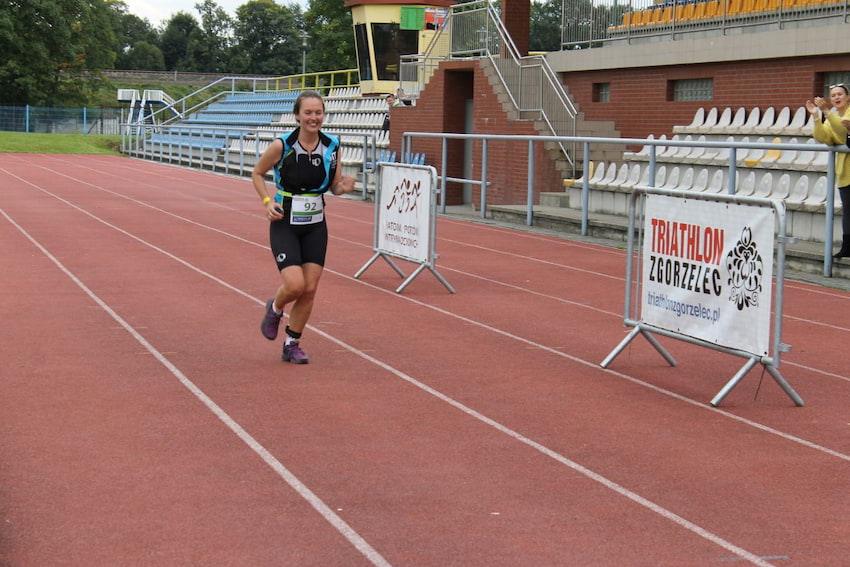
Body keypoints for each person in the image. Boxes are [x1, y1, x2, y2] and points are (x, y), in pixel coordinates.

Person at [252, 90, 355, 364]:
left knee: (310, 289)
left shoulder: (332, 145)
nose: (313, 118)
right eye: (308, 112)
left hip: (315, 223)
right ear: (298, 115)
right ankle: (275, 308)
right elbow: (257, 173)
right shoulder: (282, 145)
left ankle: (292, 342)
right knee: (295, 285)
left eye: (318, 112)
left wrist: (343, 188)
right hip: (284, 221)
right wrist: (266, 201)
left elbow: (334, 185)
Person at [807, 83, 850, 259]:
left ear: (848, 97)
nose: (836, 98)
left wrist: (825, 112)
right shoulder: (831, 114)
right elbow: (826, 138)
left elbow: (843, 130)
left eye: (840, 94)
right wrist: (817, 117)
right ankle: (847, 247)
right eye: (833, 95)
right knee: (848, 210)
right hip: (845, 171)